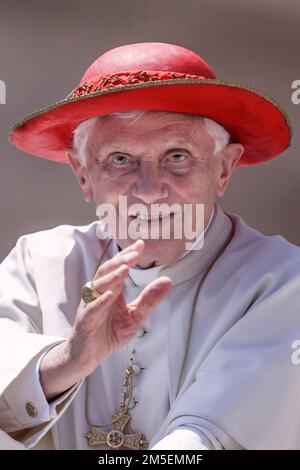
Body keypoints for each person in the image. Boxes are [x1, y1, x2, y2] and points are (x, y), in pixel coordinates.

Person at [1, 42, 299, 451]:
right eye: (120, 160)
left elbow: (206, 440)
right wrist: (68, 361)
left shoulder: (283, 280)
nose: (149, 191)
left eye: (177, 157)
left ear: (224, 168)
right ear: (83, 174)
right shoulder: (40, 265)